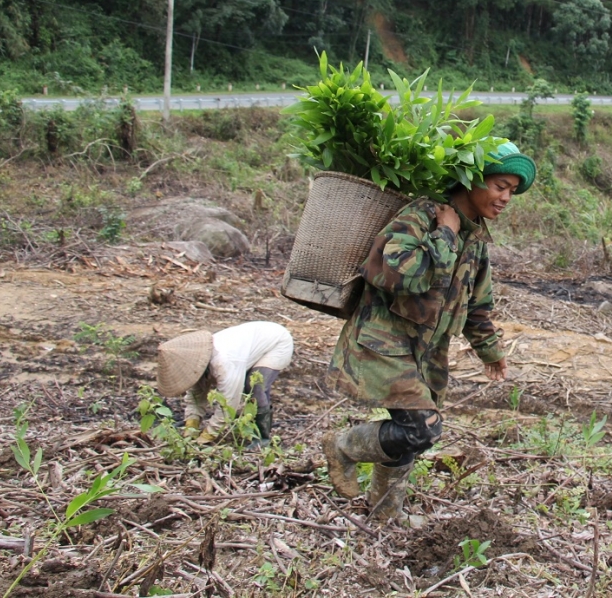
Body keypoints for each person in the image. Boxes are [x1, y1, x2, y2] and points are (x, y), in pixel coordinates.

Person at [322, 141, 536, 521]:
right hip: (383, 344)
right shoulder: (422, 215)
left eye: (512, 192)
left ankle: (385, 515)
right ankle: (342, 447)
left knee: (410, 432)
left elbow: (476, 304)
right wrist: (445, 236)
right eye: (500, 185)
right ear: (471, 178)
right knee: (421, 430)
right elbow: (396, 275)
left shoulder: (477, 239)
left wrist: (491, 350)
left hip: (426, 351)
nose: (506, 197)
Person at [156, 321, 295, 446]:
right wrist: (191, 426)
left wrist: (208, 434)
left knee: (254, 388)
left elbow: (229, 403)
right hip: (248, 346)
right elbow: (195, 396)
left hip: (276, 342)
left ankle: (262, 439)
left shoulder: (224, 363)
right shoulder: (196, 363)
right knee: (244, 383)